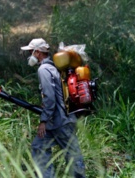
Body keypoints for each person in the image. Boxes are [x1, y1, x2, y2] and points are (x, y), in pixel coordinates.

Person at [21, 38, 85, 178]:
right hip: (57, 122)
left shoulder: (44, 69)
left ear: (38, 53)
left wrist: (43, 120)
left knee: (73, 156)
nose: (30, 55)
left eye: (31, 52)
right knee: (39, 146)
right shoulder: (53, 67)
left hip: (61, 121)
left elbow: (49, 98)